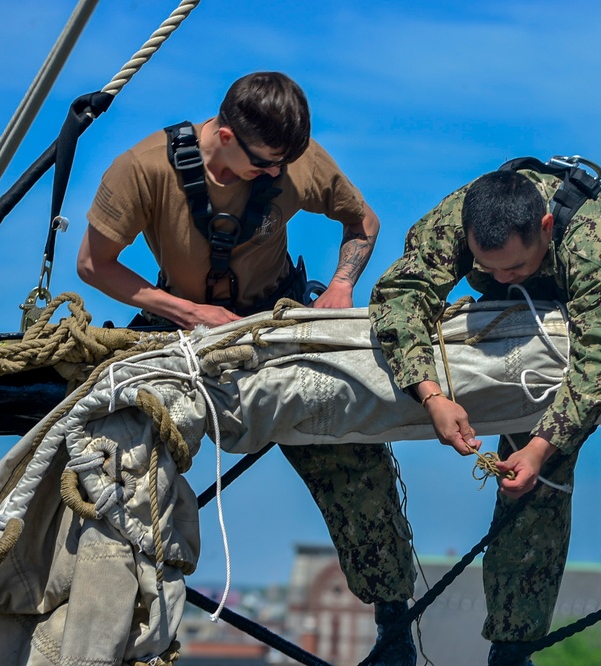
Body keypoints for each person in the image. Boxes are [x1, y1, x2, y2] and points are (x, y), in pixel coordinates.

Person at [78, 71, 416, 664]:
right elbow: (93, 264)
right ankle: (118, 627)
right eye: (264, 164)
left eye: (284, 165)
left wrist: (340, 287)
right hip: (182, 330)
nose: (276, 177)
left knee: (351, 451)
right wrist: (187, 311)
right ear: (226, 135)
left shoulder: (292, 162)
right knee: (121, 460)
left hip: (275, 322)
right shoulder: (144, 169)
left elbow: (362, 221)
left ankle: (393, 624)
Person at [370, 167, 601, 666]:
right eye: (489, 268)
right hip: (538, 341)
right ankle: (511, 648)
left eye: (515, 267)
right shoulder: (460, 218)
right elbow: (400, 295)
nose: (501, 278)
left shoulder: (590, 236)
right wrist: (432, 395)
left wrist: (544, 446)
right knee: (524, 499)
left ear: (546, 228)